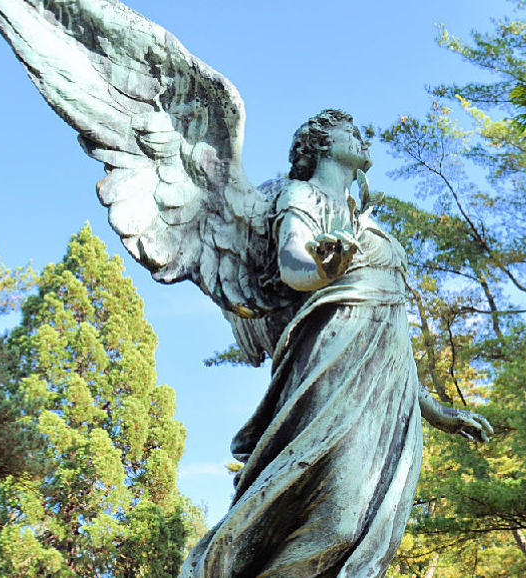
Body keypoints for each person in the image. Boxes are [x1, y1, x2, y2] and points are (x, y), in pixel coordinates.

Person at [177, 110, 492, 578]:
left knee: (372, 520)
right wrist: (323, 270)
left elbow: (390, 332)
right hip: (333, 362)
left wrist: (432, 408)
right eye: (353, 132)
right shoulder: (302, 195)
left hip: (385, 384)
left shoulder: (364, 215)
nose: (365, 139)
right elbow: (291, 265)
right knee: (339, 520)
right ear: (322, 145)